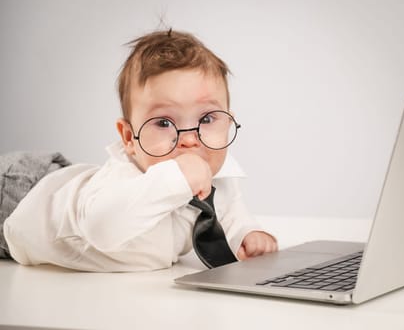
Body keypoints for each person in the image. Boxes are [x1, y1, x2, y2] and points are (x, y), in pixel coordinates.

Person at [1, 29, 278, 272]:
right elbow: (101, 228)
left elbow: (229, 210)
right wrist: (176, 179)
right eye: (164, 122)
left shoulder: (219, 177)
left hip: (66, 185)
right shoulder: (124, 182)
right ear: (128, 138)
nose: (190, 140)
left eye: (206, 119)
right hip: (19, 202)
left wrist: (247, 233)